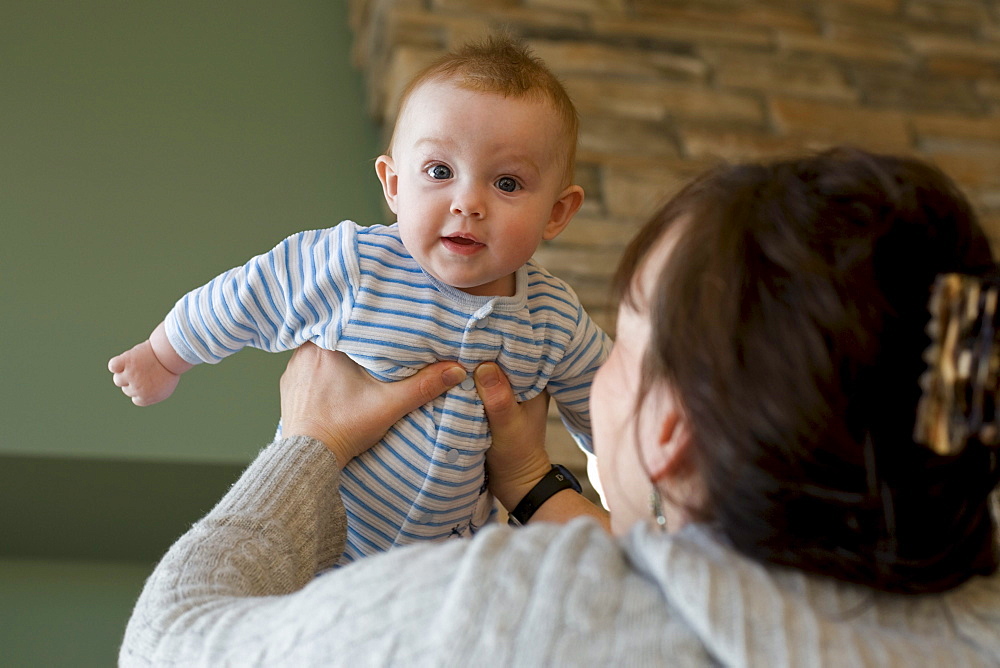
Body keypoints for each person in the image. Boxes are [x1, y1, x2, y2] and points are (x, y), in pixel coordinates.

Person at [120, 148, 1000, 666]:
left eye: (628, 335)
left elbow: (167, 648)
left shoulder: (529, 612)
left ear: (668, 431)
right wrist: (534, 482)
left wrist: (305, 444)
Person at [107, 35, 610, 562]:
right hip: (320, 539)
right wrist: (166, 353)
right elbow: (248, 293)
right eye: (440, 172)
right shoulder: (354, 263)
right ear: (393, 184)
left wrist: (630, 472)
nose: (467, 203)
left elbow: (611, 402)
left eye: (507, 183)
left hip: (442, 570)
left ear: (556, 212)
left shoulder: (552, 319)